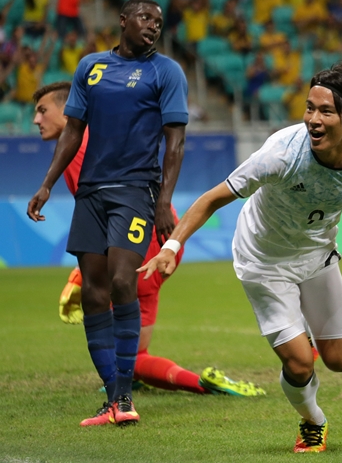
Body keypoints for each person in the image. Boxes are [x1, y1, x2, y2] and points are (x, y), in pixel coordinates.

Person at [139, 63, 342, 453]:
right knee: (300, 364)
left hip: (316, 254)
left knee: (341, 360)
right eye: (309, 108)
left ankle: (302, 334)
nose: (312, 119)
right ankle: (313, 420)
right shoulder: (282, 152)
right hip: (263, 259)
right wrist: (171, 247)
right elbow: (212, 199)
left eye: (325, 112)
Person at [32, 82, 265, 410]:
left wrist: (81, 274)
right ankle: (151, 379)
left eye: (43, 110)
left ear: (67, 109)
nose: (35, 119)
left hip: (144, 245)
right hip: (161, 238)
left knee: (124, 354)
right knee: (132, 355)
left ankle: (200, 384)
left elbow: (115, 206)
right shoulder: (94, 138)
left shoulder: (80, 148)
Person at [26, 0, 188, 428]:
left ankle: (126, 394)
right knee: (93, 292)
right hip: (91, 196)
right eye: (145, 19)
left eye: (158, 21)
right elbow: (73, 130)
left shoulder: (167, 72)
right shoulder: (91, 67)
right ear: (123, 21)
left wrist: (163, 200)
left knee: (121, 281)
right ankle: (113, 400)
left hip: (136, 190)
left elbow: (175, 143)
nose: (153, 26)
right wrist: (46, 184)